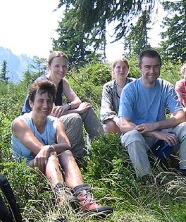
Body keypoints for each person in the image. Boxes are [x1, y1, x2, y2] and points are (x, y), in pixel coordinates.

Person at [11, 80, 113, 215]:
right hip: (27, 167)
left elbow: (66, 145)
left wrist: (49, 148)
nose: (45, 105)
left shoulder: (55, 122)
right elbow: (39, 149)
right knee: (51, 155)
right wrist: (49, 149)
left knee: (66, 153)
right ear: (31, 103)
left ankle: (83, 198)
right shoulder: (20, 123)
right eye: (40, 100)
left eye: (49, 101)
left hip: (51, 167)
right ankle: (62, 200)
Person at [119, 49, 186, 179]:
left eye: (156, 66)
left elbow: (180, 115)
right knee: (132, 136)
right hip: (140, 136)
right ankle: (146, 179)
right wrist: (153, 132)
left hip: (161, 132)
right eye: (147, 67)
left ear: (160, 67)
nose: (152, 71)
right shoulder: (130, 90)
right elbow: (123, 124)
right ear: (140, 68)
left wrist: (156, 126)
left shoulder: (165, 87)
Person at [22, 51, 103, 159]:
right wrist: (77, 111)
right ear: (49, 66)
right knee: (74, 118)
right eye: (57, 66)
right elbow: (50, 113)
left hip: (51, 119)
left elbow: (77, 101)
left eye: (64, 66)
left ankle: (102, 145)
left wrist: (67, 106)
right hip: (37, 124)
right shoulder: (43, 83)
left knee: (87, 109)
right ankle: (77, 157)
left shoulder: (62, 82)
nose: (61, 70)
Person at [100, 58, 135, 134]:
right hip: (116, 122)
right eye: (118, 67)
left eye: (124, 67)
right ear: (113, 70)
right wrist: (116, 119)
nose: (121, 70)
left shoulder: (134, 84)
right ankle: (116, 144)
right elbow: (105, 109)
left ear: (128, 70)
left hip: (133, 120)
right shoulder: (108, 87)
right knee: (109, 125)